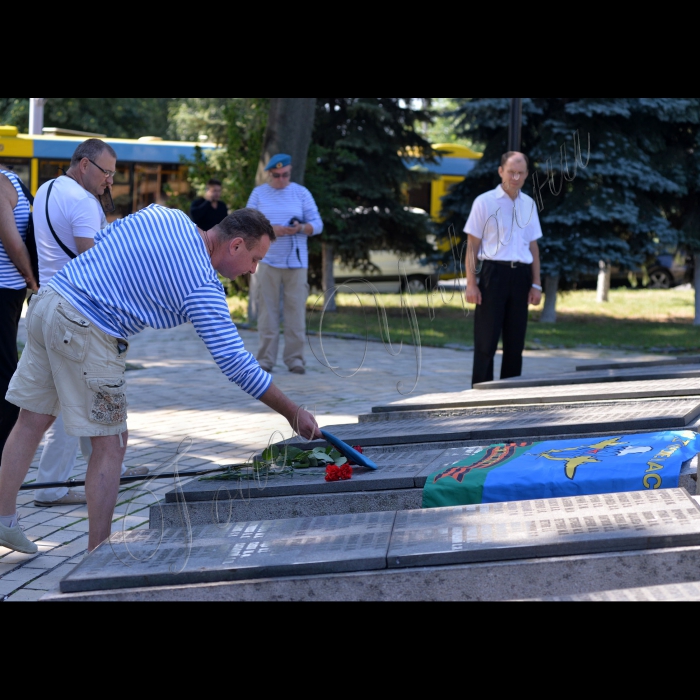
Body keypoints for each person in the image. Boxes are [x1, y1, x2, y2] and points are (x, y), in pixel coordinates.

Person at [0, 205, 322, 555]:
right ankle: (98, 555)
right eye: (255, 259)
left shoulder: (167, 215)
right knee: (111, 444)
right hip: (87, 329)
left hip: (49, 302)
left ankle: (3, 519)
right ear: (236, 245)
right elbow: (235, 363)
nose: (252, 270)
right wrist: (292, 413)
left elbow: (104, 239)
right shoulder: (200, 283)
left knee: (32, 420)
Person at [31, 139, 148, 508]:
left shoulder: (48, 188)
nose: (110, 181)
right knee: (76, 405)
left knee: (81, 399)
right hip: (78, 313)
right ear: (84, 164)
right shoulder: (83, 202)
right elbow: (96, 262)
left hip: (46, 305)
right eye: (105, 172)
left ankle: (108, 465)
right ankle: (52, 486)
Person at [465, 151, 543, 388]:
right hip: (492, 275)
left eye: (520, 172)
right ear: (501, 171)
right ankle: (481, 393)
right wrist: (471, 283)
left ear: (527, 174)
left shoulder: (529, 204)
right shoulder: (484, 202)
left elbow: (533, 247)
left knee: (515, 342)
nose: (515, 177)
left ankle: (511, 392)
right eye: (511, 172)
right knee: (486, 342)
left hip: (521, 276)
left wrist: (537, 283)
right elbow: (472, 247)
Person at [247, 154, 323, 375]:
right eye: (277, 176)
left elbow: (318, 224)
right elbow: (247, 223)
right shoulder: (259, 193)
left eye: (285, 175)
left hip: (296, 264)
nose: (281, 179)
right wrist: (271, 230)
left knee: (296, 313)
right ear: (270, 174)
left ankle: (295, 360)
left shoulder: (301, 193)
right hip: (266, 262)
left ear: (290, 172)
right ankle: (265, 361)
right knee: (267, 313)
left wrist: (301, 228)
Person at [0, 165, 38, 463]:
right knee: (5, 373)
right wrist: (31, 281)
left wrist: (31, 281)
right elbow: (13, 241)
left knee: (5, 372)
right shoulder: (11, 181)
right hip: (7, 290)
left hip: (6, 290)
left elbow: (13, 240)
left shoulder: (4, 183)